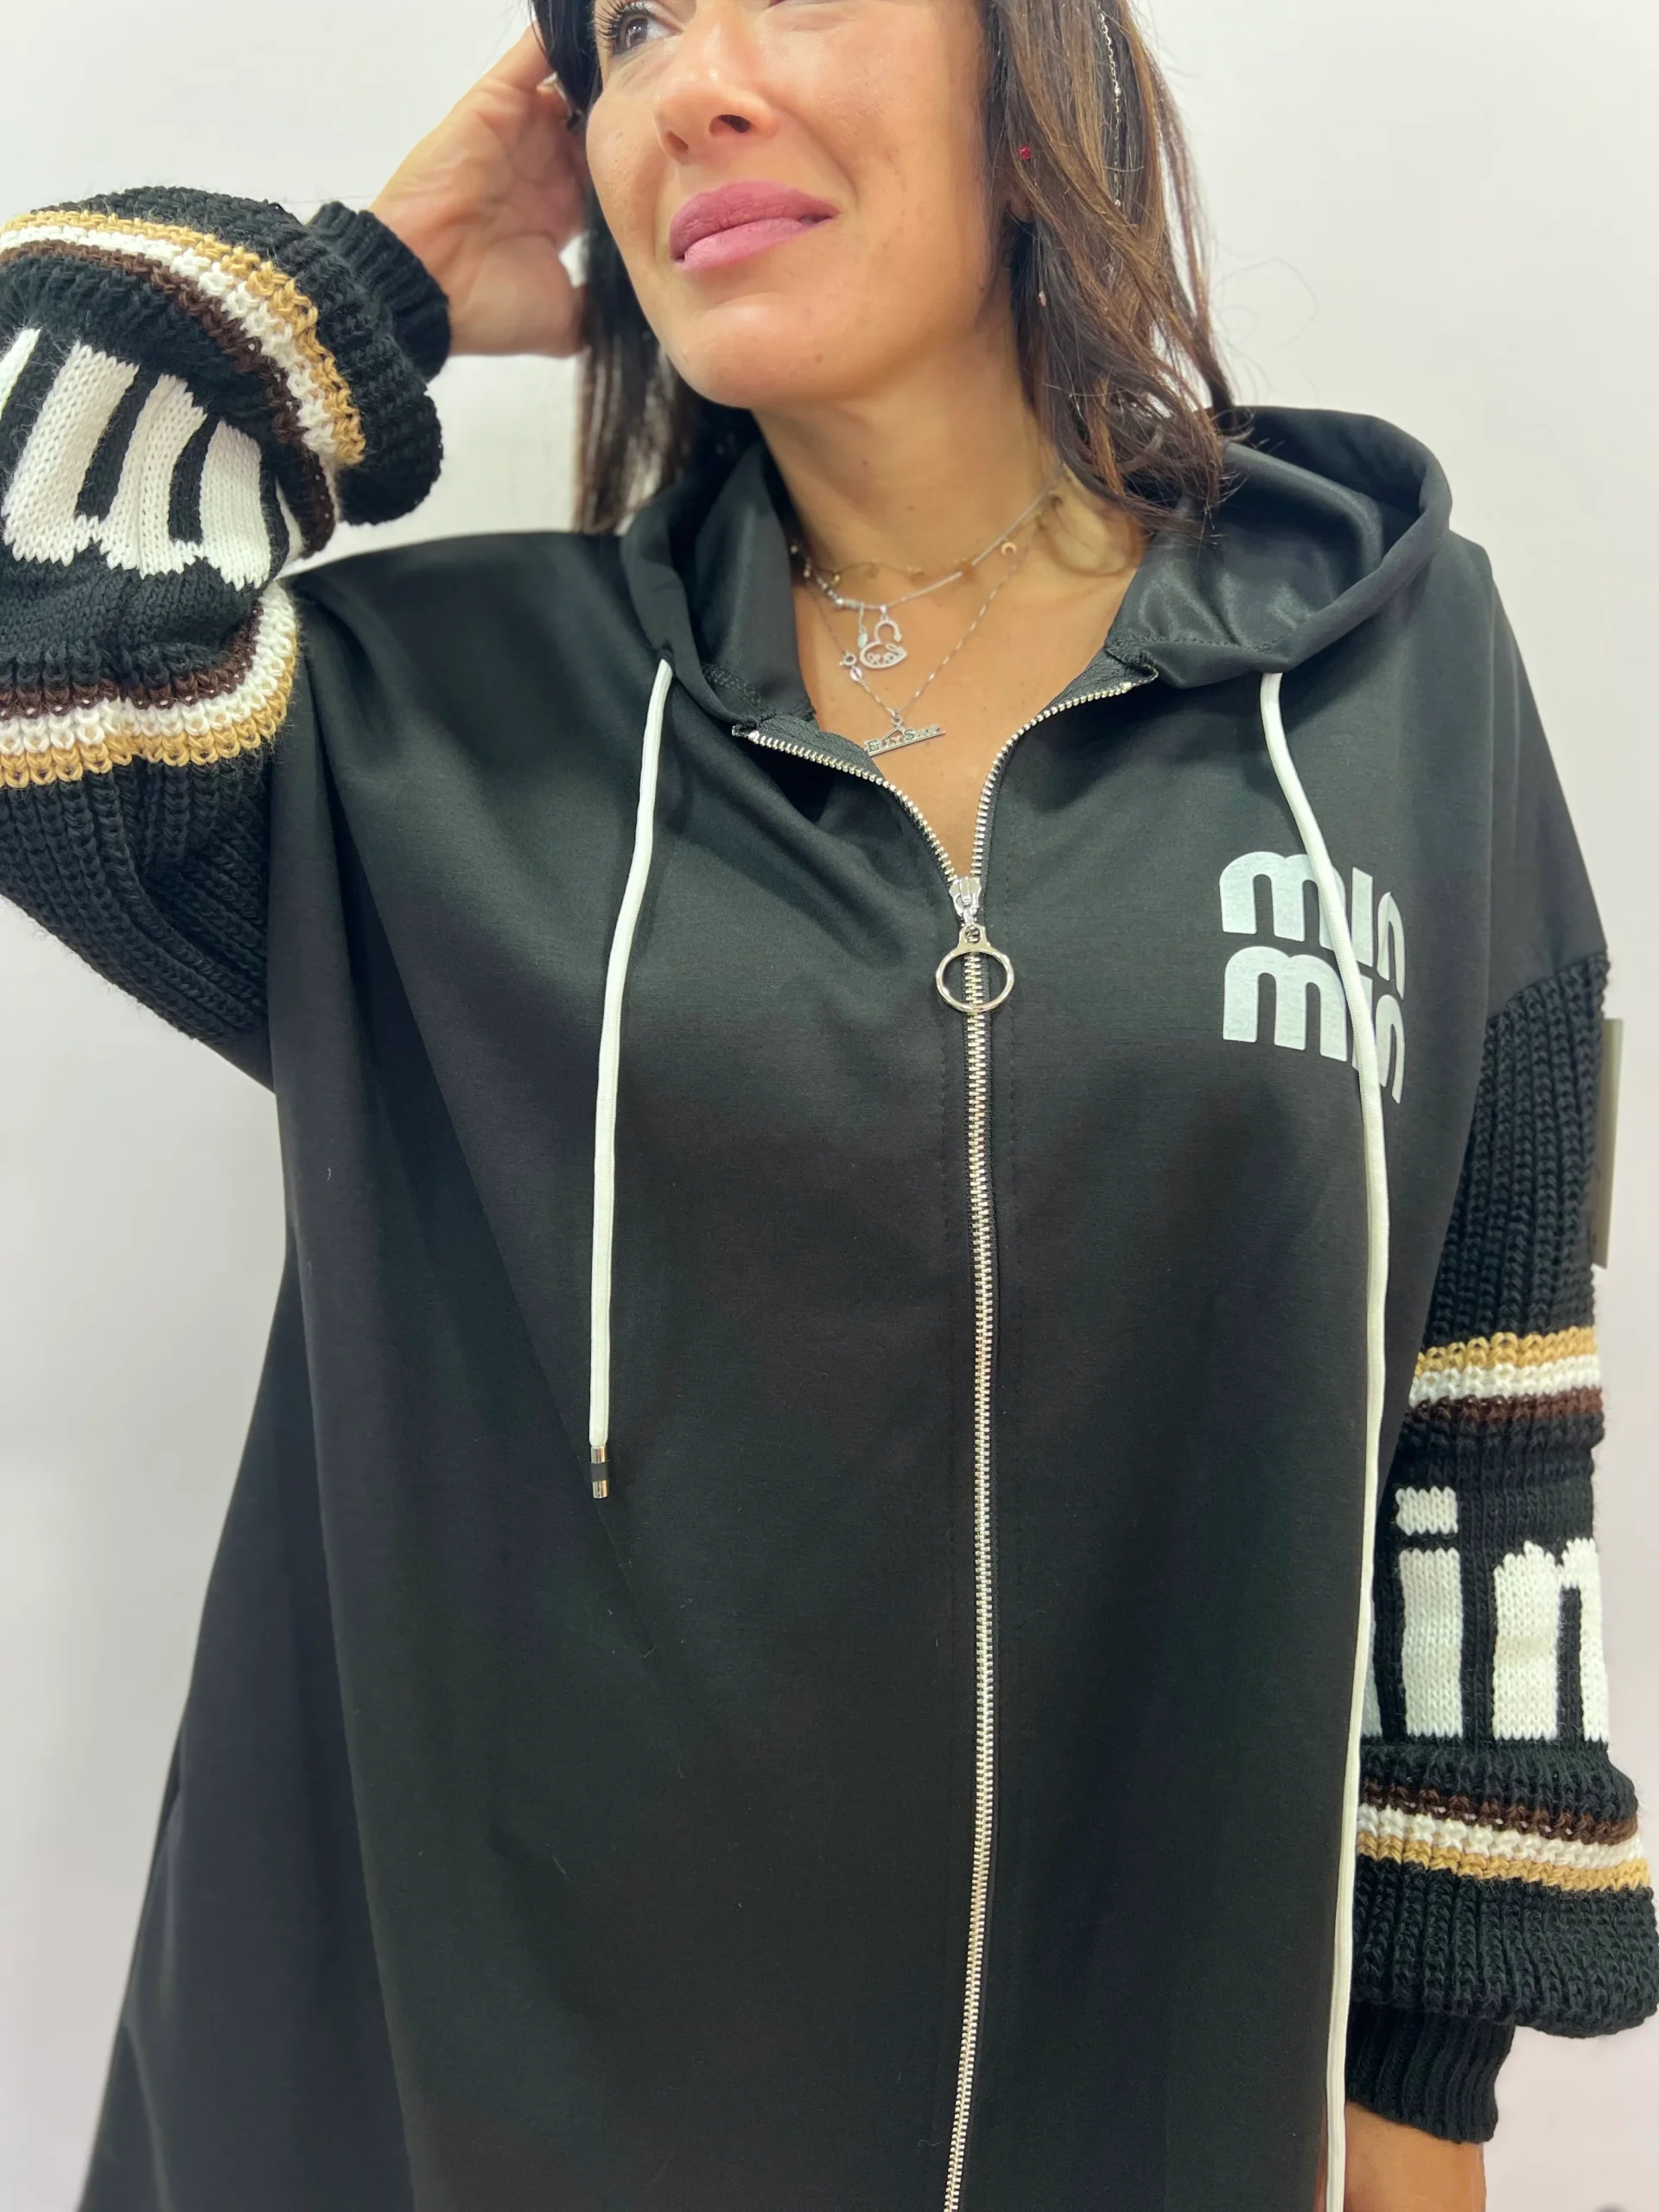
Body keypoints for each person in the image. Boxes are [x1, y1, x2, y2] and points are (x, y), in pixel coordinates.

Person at [0, 1, 1651, 2206]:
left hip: (1147, 2105)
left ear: (1028, 76)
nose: (697, 82)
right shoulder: (441, 733)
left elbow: (1486, 1409)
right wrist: (376, 282)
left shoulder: (1395, 674)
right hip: (447, 2130)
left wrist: (1420, 2098)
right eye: (633, 28)